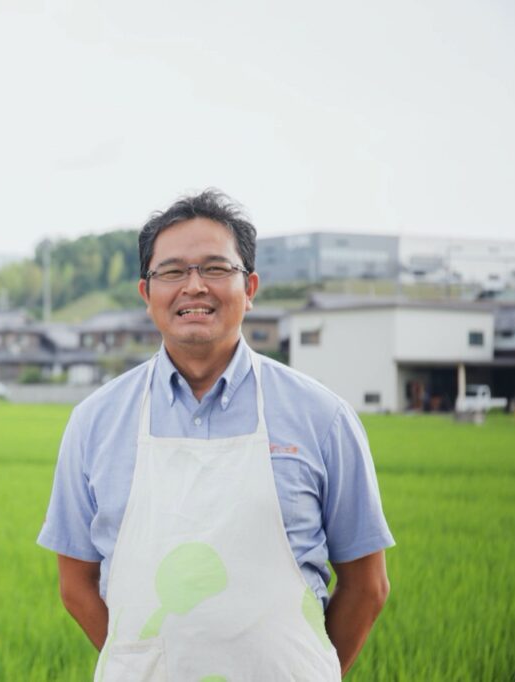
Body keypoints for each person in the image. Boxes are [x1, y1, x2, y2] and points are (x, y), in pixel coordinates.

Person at [37, 190, 393, 680]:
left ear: (249, 287)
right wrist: (141, 660)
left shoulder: (322, 417)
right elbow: (76, 582)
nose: (194, 286)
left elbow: (367, 585)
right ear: (147, 294)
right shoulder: (95, 422)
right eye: (173, 271)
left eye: (215, 268)